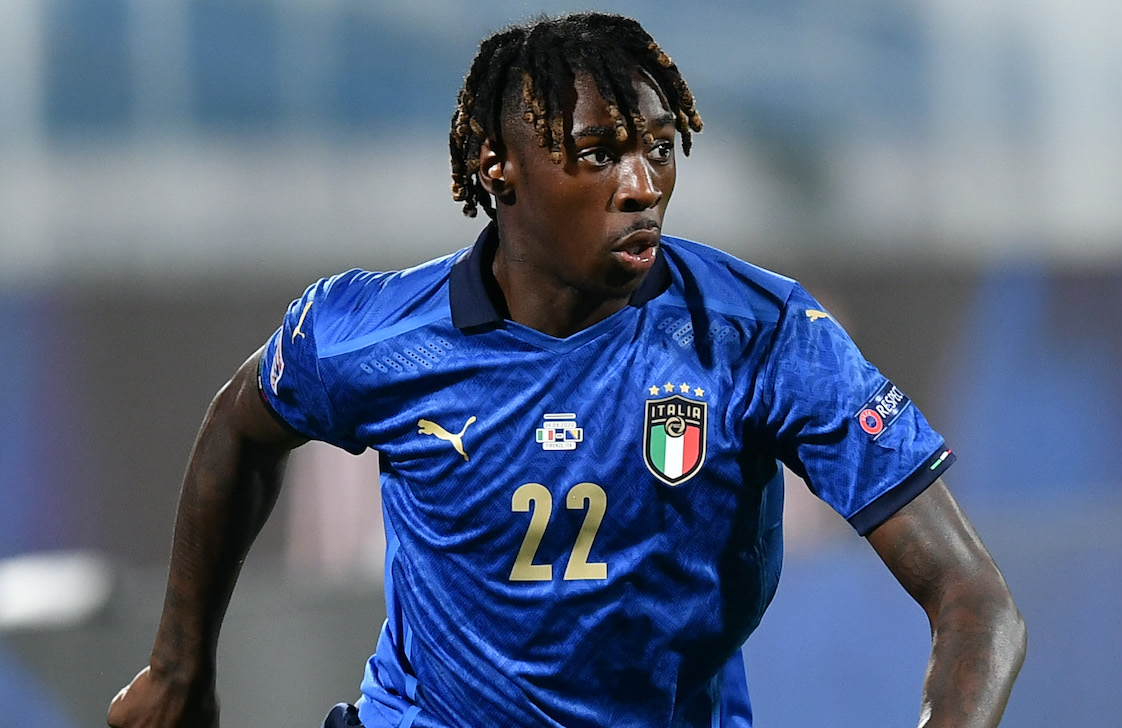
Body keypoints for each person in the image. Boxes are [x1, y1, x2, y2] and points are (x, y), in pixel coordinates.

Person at [108, 12, 1025, 728]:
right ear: (497, 168)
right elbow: (240, 427)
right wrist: (179, 668)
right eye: (599, 154)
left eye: (658, 147)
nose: (642, 185)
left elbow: (975, 599)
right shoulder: (373, 335)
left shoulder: (761, 335)